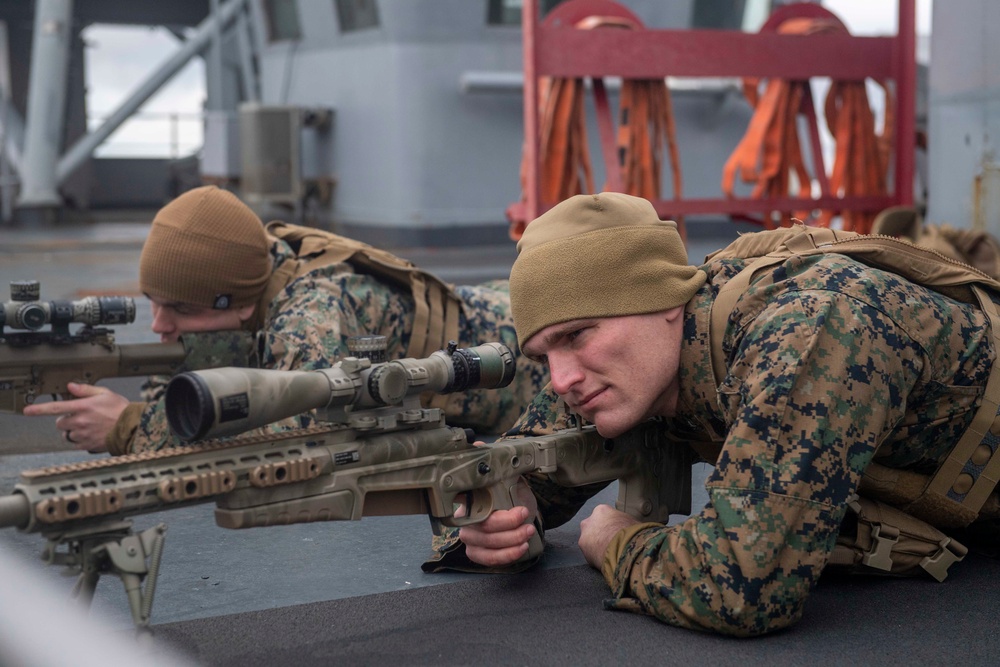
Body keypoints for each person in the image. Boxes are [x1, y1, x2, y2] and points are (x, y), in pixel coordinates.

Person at [438, 192, 1000, 636]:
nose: (561, 378)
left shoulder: (807, 329)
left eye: (577, 335)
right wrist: (498, 523)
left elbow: (744, 591)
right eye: (543, 355)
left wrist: (616, 543)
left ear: (659, 301)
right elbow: (516, 470)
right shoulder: (637, 359)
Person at [23, 185, 548, 455]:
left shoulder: (310, 310)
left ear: (242, 306)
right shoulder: (249, 264)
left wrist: (131, 427)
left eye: (181, 310)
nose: (159, 325)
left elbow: (300, 432)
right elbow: (201, 365)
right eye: (154, 302)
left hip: (529, 359)